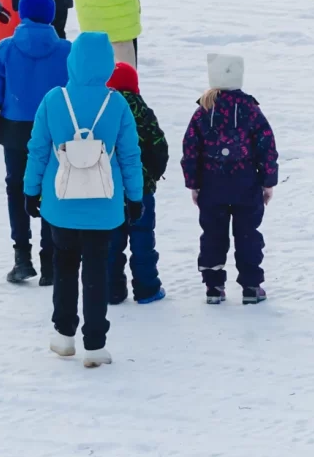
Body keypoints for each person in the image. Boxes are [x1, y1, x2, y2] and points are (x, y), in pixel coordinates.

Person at [22, 30, 143, 365]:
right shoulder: (117, 104)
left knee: (63, 266)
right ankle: (95, 344)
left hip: (61, 204)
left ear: (72, 61)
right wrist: (134, 197)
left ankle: (63, 336)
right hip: (103, 206)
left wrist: (31, 190)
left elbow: (37, 151)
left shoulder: (53, 100)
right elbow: (130, 156)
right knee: (96, 272)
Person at [0, 0, 70, 285]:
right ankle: (50, 262)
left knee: (16, 188)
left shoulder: (6, 48)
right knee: (50, 190)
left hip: (15, 132)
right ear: (51, 15)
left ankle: (22, 257)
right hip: (54, 132)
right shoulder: (66, 51)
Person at [181, 51, 277, 303]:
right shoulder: (251, 110)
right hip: (245, 183)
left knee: (213, 234)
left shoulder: (203, 110)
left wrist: (194, 183)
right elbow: (266, 146)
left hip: (212, 185)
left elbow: (190, 149)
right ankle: (251, 286)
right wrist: (268, 181)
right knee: (248, 234)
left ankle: (213, 286)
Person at [98, 59, 167, 305]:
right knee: (143, 240)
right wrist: (153, 175)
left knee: (111, 244)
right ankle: (147, 288)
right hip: (142, 189)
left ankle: (112, 289)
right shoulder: (143, 111)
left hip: (109, 189)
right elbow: (159, 146)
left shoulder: (101, 113)